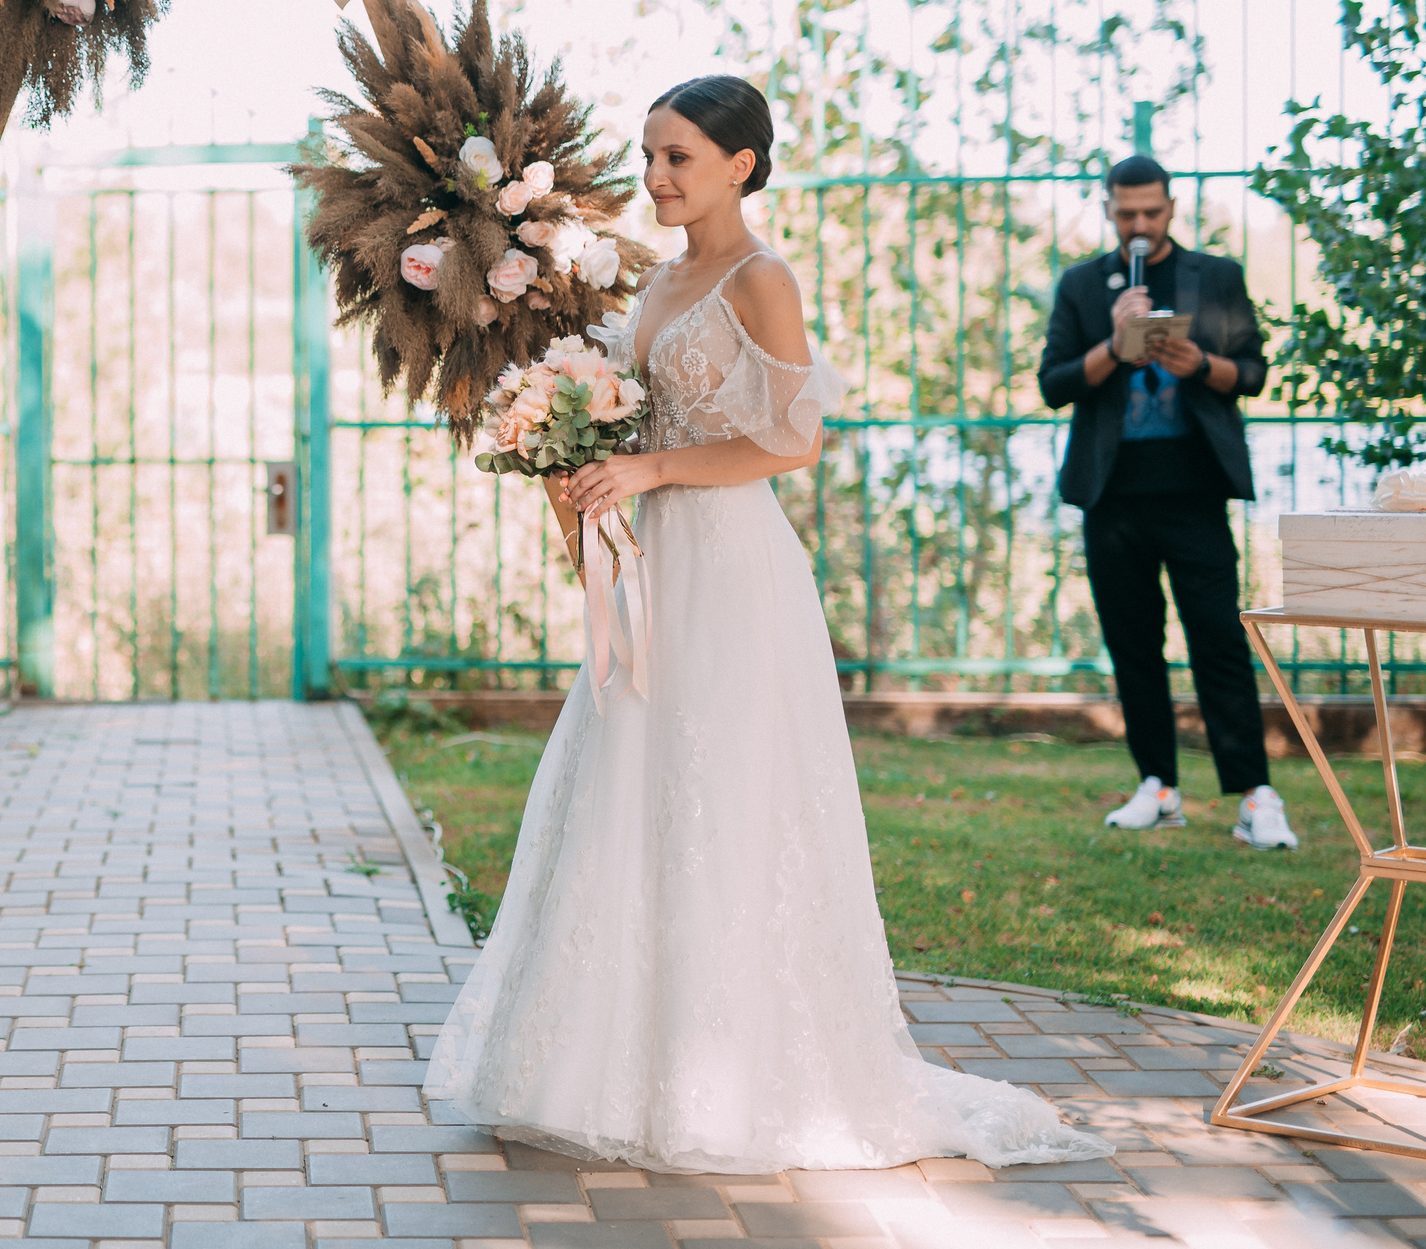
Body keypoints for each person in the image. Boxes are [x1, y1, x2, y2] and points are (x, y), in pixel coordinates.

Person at [423, 75, 1110, 1173]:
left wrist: (649, 466)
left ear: (740, 165)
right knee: (630, 783)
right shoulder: (654, 282)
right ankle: (604, 1064)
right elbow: (630, 414)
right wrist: (563, 441)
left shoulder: (760, 278)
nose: (655, 176)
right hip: (653, 560)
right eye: (649, 155)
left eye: (678, 157)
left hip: (734, 568)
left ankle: (738, 1074)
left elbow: (795, 440)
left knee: (725, 791)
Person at [1036, 155, 1293, 850]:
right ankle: (1158, 786)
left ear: (1172, 208)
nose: (1140, 225)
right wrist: (1113, 347)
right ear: (1109, 210)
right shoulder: (1083, 285)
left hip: (1194, 490)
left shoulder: (1217, 276)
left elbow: (1255, 373)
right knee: (1133, 645)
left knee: (1218, 640)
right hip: (1113, 495)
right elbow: (1054, 385)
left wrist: (1200, 364)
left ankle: (1255, 795)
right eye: (1127, 214)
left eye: (1151, 211)